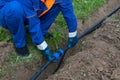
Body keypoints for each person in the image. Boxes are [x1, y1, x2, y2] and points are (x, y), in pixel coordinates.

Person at [0, 0, 78, 62]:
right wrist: (43, 47)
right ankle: (20, 43)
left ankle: (42, 31)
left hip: (32, 8)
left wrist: (73, 34)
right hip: (9, 11)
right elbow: (33, 22)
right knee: (15, 9)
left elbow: (68, 9)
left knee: (57, 4)